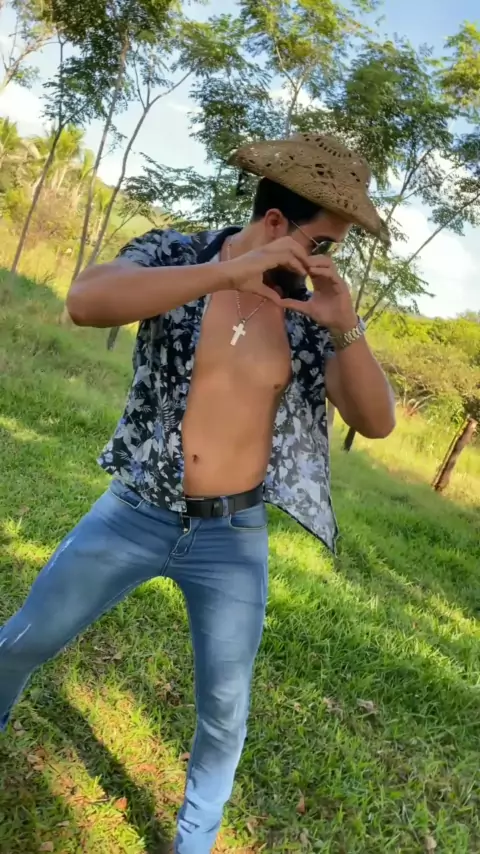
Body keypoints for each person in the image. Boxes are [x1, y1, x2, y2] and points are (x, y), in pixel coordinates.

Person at [0, 133, 395, 853]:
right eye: (324, 243)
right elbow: (87, 301)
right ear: (276, 223)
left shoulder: (309, 315)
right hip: (134, 512)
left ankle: (194, 843)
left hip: (231, 539)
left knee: (224, 712)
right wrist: (226, 275)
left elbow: (376, 422)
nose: (329, 261)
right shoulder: (175, 254)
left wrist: (347, 326)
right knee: (25, 641)